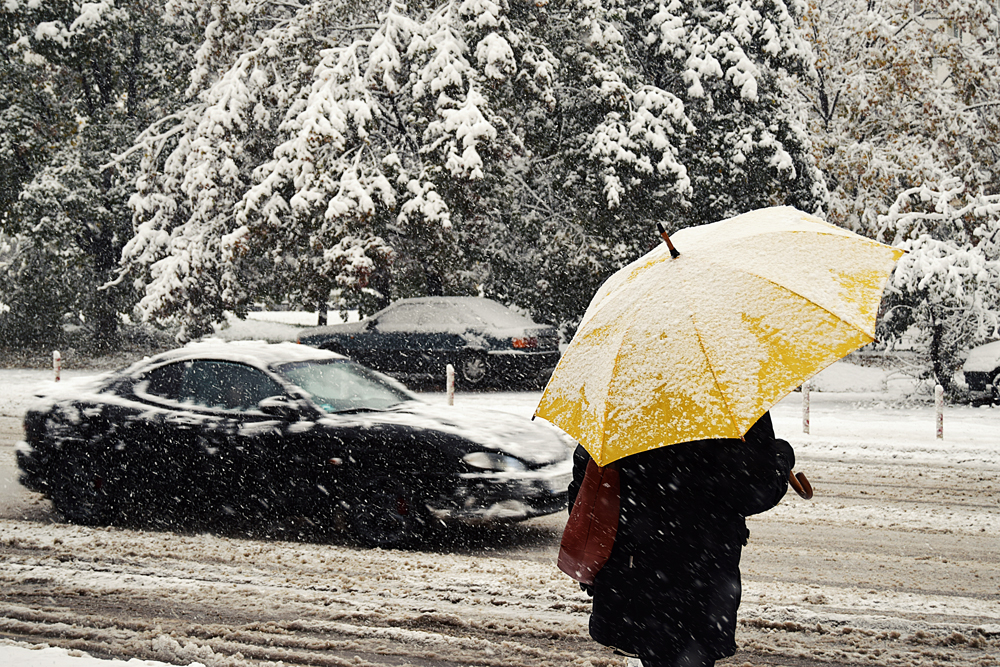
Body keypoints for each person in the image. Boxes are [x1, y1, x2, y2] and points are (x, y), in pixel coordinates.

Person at [567, 412, 795, 667]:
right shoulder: (730, 403)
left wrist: (596, 564)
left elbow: (586, 488)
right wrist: (781, 456)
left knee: (652, 653)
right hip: (700, 578)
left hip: (635, 573)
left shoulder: (623, 403)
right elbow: (756, 490)